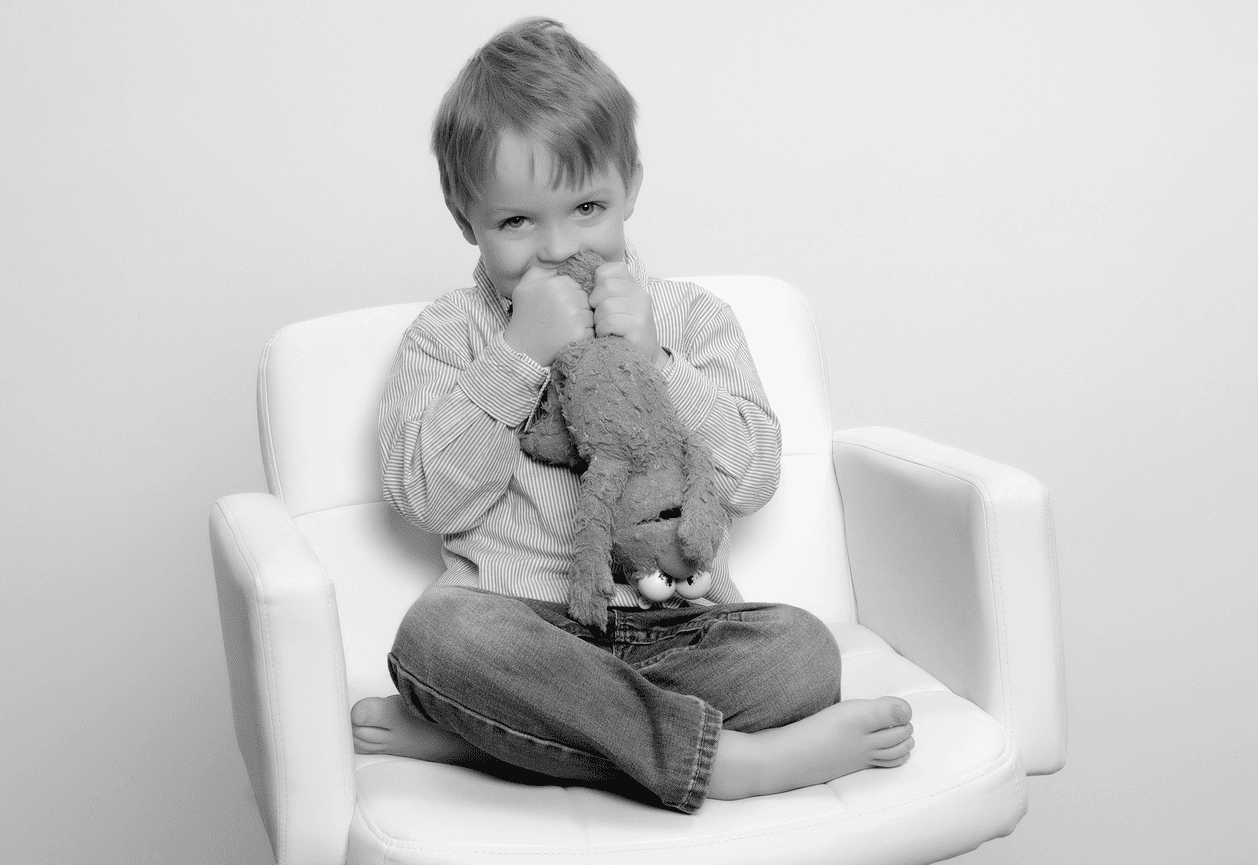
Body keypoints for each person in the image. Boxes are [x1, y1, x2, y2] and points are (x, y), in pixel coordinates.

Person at [351, 17, 913, 814]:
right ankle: (721, 763)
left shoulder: (690, 317)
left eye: (586, 206)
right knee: (436, 640)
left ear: (631, 187)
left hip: (677, 630)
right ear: (462, 215)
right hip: (522, 629)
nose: (555, 246)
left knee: (803, 654)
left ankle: (499, 735)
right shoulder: (449, 335)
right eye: (516, 221)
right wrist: (516, 357)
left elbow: (750, 476)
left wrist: (655, 361)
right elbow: (423, 497)